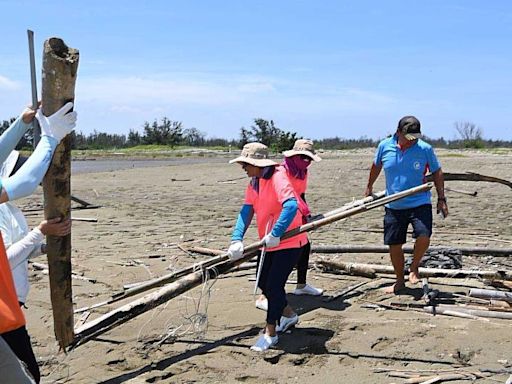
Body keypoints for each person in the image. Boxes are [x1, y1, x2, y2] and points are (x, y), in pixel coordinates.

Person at [0, 103, 77, 381]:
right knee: (27, 376)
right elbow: (26, 181)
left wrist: (22, 123)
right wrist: (50, 138)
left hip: (8, 310)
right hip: (3, 317)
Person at [227, 142, 308, 352]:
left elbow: (291, 206)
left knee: (274, 286)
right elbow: (246, 211)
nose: (243, 168)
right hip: (269, 241)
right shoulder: (255, 182)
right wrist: (236, 239)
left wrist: (277, 232)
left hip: (290, 240)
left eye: (246, 164)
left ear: (258, 163)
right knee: (263, 282)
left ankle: (270, 332)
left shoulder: (278, 177)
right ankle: (289, 315)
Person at [365, 116, 448, 294]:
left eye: (415, 137)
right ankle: (399, 281)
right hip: (393, 204)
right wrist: (369, 186)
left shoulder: (424, 149)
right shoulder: (384, 146)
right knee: (394, 244)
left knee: (424, 236)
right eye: (409, 137)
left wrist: (442, 198)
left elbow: (437, 172)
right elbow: (376, 166)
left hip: (419, 201)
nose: (413, 140)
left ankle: (414, 266)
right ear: (398, 132)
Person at [255, 139, 323, 311]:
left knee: (305, 246)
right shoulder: (282, 172)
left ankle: (301, 285)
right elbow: (289, 198)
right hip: (278, 214)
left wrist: (306, 214)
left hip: (295, 213)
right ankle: (264, 295)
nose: (306, 162)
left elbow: (300, 194)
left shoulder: (302, 172)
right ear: (294, 156)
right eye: (302, 158)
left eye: (309, 159)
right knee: (272, 252)